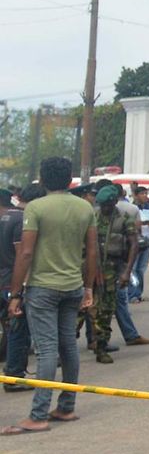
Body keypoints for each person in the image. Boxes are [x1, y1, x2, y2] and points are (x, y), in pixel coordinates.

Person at [4, 157, 98, 435]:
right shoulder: (84, 207)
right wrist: (89, 287)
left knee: (46, 350)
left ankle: (39, 414)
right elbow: (92, 251)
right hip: (73, 287)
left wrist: (15, 292)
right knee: (68, 346)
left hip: (43, 287)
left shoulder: (36, 207)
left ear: (42, 180)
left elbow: (27, 252)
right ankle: (66, 406)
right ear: (70, 181)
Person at [88, 184, 142, 363]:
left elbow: (134, 244)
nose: (104, 209)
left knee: (106, 310)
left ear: (114, 203)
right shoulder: (92, 217)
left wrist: (127, 272)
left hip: (112, 269)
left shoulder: (124, 219)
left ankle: (101, 347)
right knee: (79, 310)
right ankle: (64, 350)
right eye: (101, 205)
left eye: (107, 205)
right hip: (88, 268)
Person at [1, 188, 34, 392]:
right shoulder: (18, 219)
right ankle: (14, 375)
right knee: (17, 328)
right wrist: (19, 289)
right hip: (10, 282)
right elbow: (21, 254)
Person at [129, 185, 149, 303]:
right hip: (135, 241)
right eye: (142, 194)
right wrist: (143, 222)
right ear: (136, 195)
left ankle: (139, 293)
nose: (145, 196)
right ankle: (132, 294)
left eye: (146, 193)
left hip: (146, 240)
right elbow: (133, 224)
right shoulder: (132, 207)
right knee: (133, 268)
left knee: (141, 269)